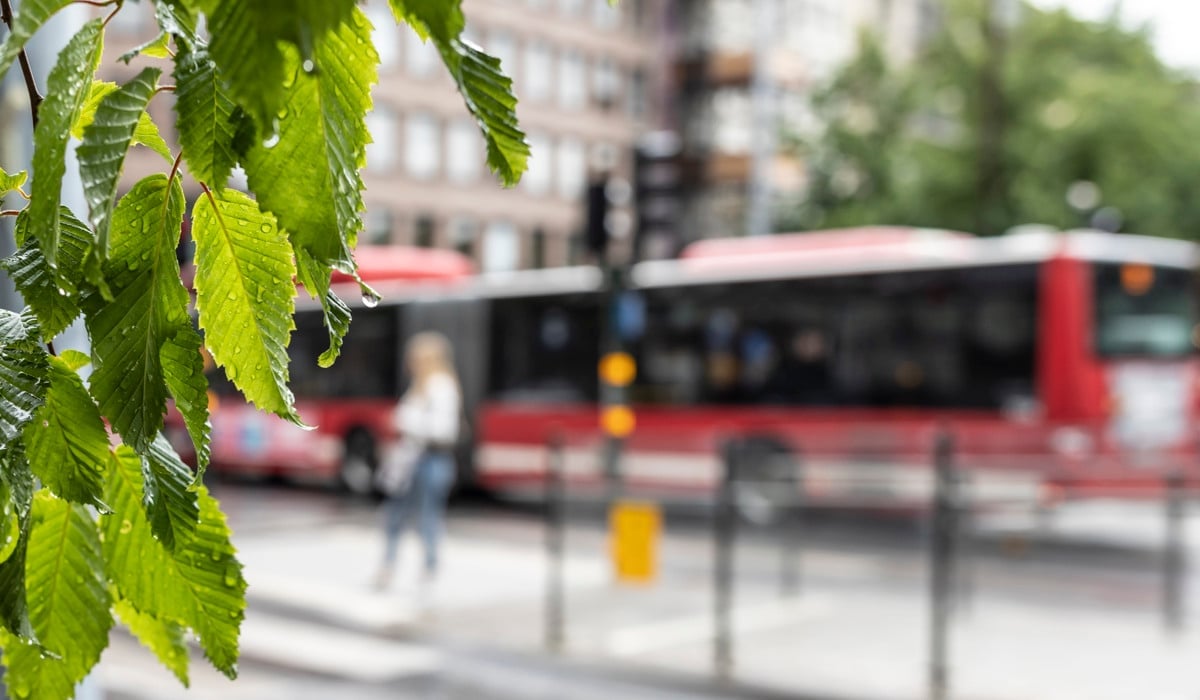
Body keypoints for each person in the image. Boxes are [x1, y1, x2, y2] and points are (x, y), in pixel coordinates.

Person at [375, 332, 461, 590]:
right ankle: (391, 567)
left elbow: (444, 429)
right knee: (395, 515)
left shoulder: (441, 386)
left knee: (426, 517)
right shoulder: (420, 385)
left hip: (430, 460)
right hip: (413, 459)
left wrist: (404, 421)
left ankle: (428, 569)